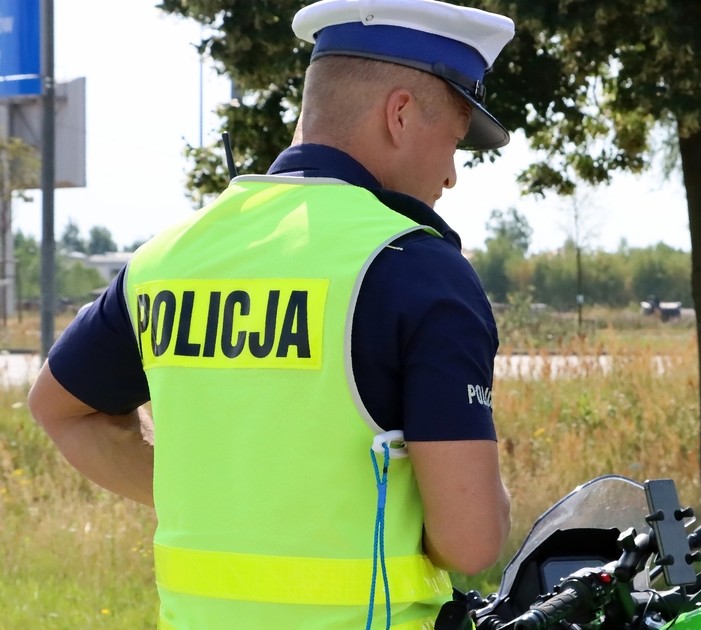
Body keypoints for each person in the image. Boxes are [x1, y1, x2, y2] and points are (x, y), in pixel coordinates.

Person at [27, 0, 515, 627]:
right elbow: (471, 542)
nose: (451, 176)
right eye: (452, 143)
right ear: (399, 115)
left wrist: (225, 503)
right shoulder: (418, 267)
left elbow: (59, 409)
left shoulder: (170, 256)